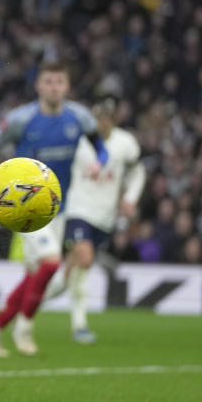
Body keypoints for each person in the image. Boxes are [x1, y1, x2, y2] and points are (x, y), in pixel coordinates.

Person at [0, 60, 108, 357]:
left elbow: (101, 146)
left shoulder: (80, 117)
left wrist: (99, 161)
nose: (54, 87)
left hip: (58, 209)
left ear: (67, 86)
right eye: (48, 81)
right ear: (38, 85)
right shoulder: (21, 119)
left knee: (35, 274)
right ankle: (24, 328)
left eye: (59, 82)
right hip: (26, 210)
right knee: (50, 263)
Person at [43, 97, 145, 343]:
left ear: (113, 119)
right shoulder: (79, 142)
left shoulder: (126, 143)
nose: (101, 123)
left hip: (105, 218)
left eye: (106, 118)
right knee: (85, 259)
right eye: (97, 117)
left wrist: (131, 198)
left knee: (74, 270)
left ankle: (38, 297)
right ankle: (79, 325)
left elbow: (138, 171)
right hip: (78, 211)